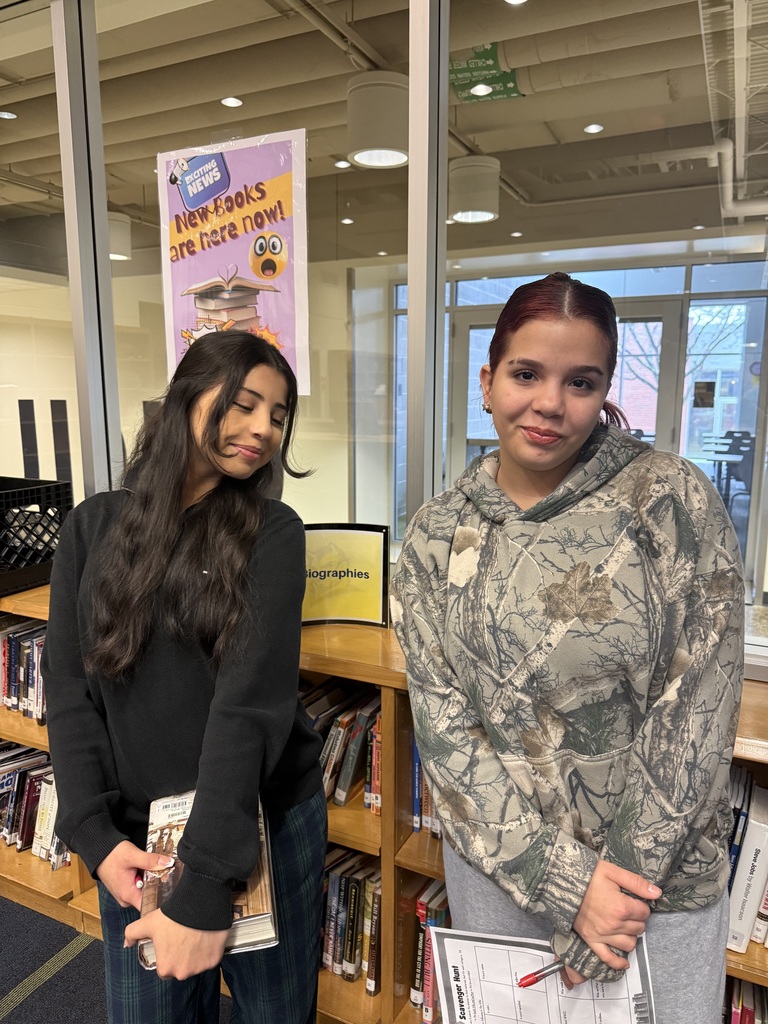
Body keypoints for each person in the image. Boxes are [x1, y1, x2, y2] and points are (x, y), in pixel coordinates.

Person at [390, 272, 744, 1020]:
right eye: (526, 374)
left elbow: (697, 712)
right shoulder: (431, 536)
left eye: (580, 382)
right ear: (487, 382)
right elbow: (447, 733)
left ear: (607, 388)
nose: (550, 403)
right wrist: (565, 885)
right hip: (503, 879)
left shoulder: (671, 501)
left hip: (652, 894)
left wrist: (610, 891)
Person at [42, 331, 326, 1024]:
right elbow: (71, 694)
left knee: (275, 1011)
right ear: (185, 399)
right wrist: (94, 835)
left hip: (261, 822)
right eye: (245, 403)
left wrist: (201, 890)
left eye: (280, 414)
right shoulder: (90, 529)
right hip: (140, 838)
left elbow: (248, 712)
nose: (264, 428)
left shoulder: (273, 532)